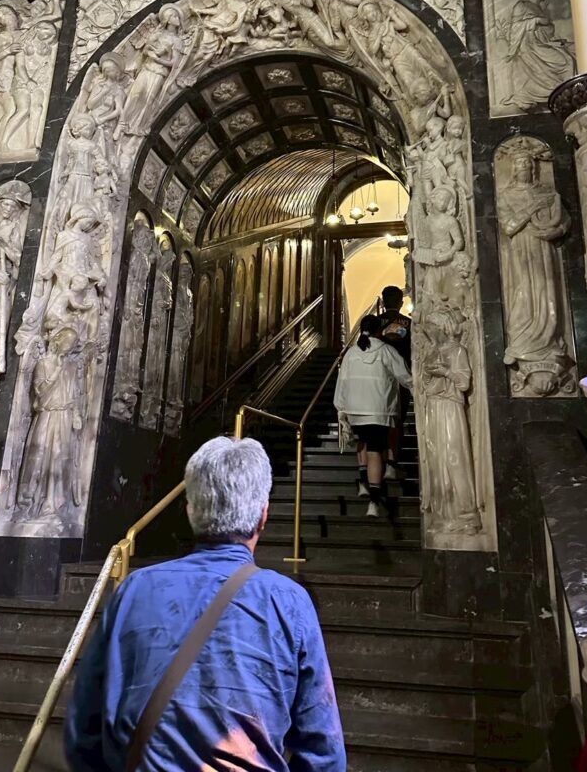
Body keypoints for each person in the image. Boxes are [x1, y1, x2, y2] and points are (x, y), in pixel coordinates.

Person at [65, 436, 346, 772]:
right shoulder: (289, 602)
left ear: (190, 510)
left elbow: (85, 730)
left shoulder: (134, 590)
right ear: (264, 515)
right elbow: (324, 752)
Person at [333, 314, 414, 518]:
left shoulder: (351, 353)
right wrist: (418, 389)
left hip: (355, 409)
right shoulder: (386, 350)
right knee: (375, 451)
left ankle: (363, 483)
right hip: (379, 409)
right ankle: (374, 501)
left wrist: (341, 408)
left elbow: (342, 381)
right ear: (379, 330)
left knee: (363, 442)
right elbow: (405, 376)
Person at [378, 286, 412, 483]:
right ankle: (393, 461)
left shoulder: (375, 323)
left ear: (383, 302)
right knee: (397, 419)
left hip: (379, 378)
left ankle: (379, 461)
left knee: (380, 419)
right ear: (401, 302)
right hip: (401, 379)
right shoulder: (409, 324)